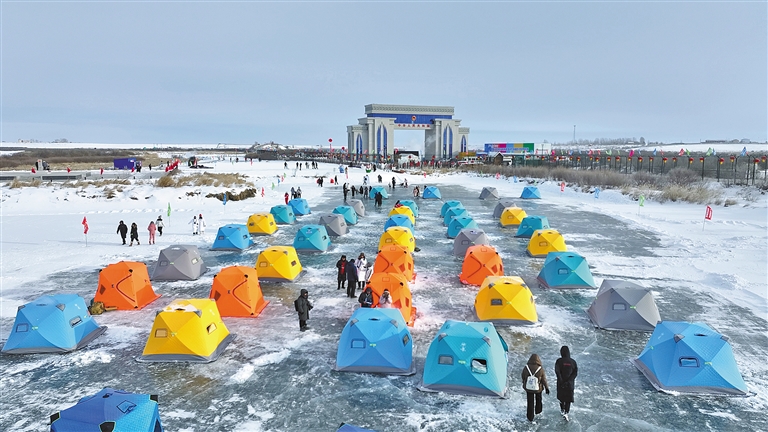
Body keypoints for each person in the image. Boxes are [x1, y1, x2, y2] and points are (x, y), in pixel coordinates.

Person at [522, 354, 550, 422]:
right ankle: (538, 412)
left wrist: (524, 382)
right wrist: (546, 388)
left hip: (529, 388)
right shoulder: (540, 369)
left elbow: (523, 376)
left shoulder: (526, 367)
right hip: (538, 388)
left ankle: (530, 417)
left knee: (530, 402)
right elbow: (544, 380)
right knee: (539, 399)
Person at [555, 346, 578, 422]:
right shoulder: (573, 362)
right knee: (568, 400)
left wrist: (561, 381)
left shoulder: (559, 361)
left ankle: (562, 411)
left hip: (561, 384)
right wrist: (569, 381)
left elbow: (557, 372)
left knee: (561, 398)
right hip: (570, 384)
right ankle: (566, 413)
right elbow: (575, 373)